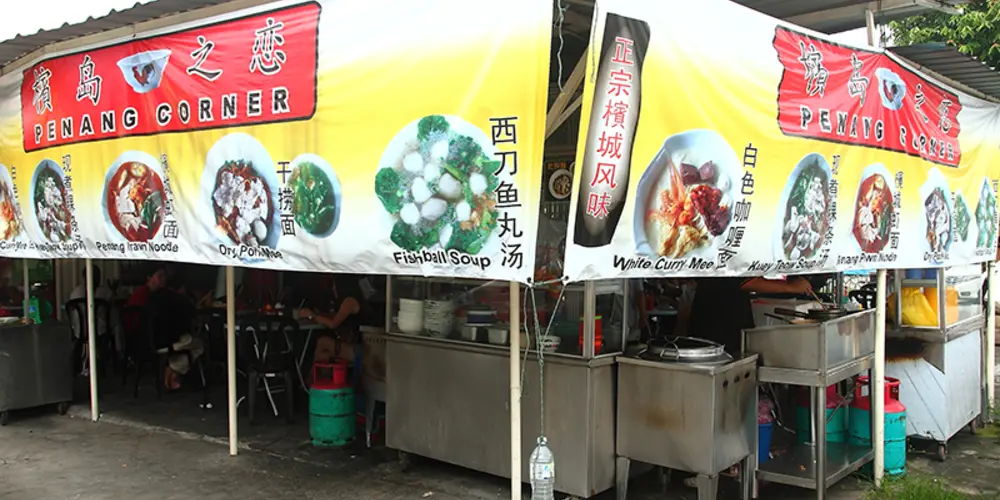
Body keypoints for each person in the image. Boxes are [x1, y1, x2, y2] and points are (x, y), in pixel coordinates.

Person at [678, 276, 814, 355]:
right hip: (718, 328)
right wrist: (791, 287)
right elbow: (747, 282)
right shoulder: (730, 248)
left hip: (722, 323)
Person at [145, 273, 203, 390]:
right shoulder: (178, 299)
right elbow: (193, 313)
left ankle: (172, 371)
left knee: (186, 344)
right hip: (170, 340)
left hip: (150, 342)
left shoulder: (152, 297)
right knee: (200, 345)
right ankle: (174, 368)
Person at [299, 275, 371, 366]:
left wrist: (312, 316)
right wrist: (317, 315)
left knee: (322, 343)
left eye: (334, 285)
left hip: (359, 348)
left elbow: (333, 324)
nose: (333, 289)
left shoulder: (349, 301)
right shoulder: (350, 300)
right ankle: (321, 377)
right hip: (355, 344)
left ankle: (313, 377)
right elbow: (335, 316)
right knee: (321, 354)